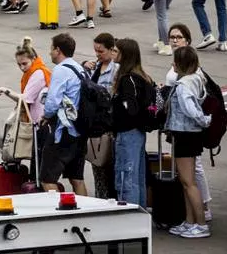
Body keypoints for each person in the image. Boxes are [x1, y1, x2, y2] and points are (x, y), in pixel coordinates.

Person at [162, 24, 212, 221]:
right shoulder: (195, 77)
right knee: (186, 181)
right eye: (172, 37)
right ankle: (191, 220)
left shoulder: (183, 84)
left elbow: (191, 110)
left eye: (179, 37)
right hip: (187, 134)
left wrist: (205, 120)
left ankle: (200, 220)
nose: (174, 40)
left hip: (185, 134)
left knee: (188, 181)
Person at [41, 33, 89, 195]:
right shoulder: (80, 69)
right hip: (80, 132)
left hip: (64, 132)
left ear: (58, 50)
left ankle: (59, 215)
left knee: (47, 179)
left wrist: (46, 116)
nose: (50, 53)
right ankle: (86, 212)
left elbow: (53, 102)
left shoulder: (61, 70)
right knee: (77, 178)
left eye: (51, 49)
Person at [110, 38, 152, 207]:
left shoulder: (127, 80)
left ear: (124, 55)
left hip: (127, 132)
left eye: (115, 51)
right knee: (137, 177)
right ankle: (140, 213)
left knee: (126, 176)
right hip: (138, 132)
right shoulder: (142, 77)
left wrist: (118, 110)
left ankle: (128, 215)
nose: (113, 53)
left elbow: (130, 109)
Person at [82, 32, 118, 200]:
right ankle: (101, 197)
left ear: (112, 50)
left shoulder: (115, 70)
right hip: (96, 124)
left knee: (108, 164)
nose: (97, 55)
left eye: (101, 51)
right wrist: (84, 67)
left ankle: (111, 197)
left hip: (109, 124)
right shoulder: (95, 67)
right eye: (95, 51)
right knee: (97, 164)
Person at [0, 36, 52, 124]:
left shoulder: (38, 74)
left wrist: (4, 90)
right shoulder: (35, 71)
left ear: (33, 59)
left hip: (39, 122)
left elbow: (25, 99)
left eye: (24, 63)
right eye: (19, 64)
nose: (22, 68)